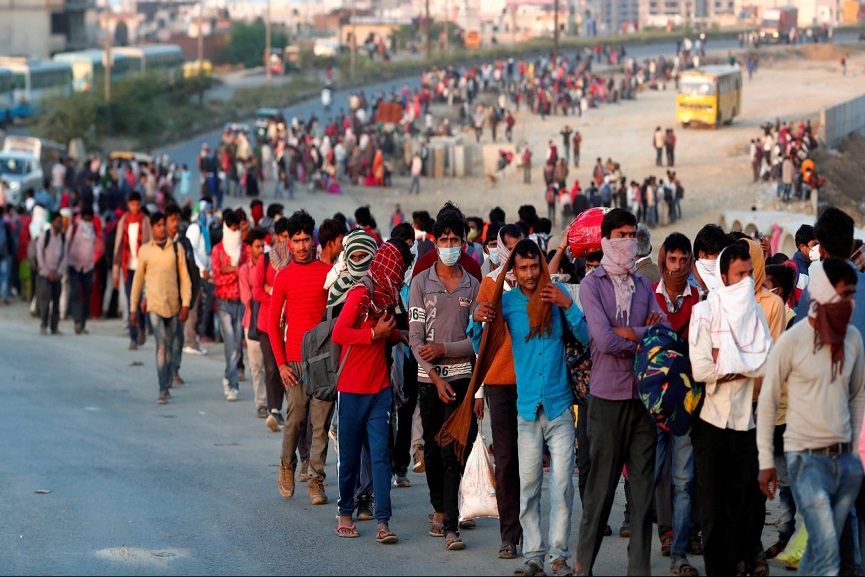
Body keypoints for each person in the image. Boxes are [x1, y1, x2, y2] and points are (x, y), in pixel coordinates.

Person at [576, 208, 668, 576]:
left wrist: (631, 333)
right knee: (599, 492)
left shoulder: (643, 285)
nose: (628, 242)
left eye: (632, 235)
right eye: (621, 235)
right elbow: (602, 339)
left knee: (643, 495)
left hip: (642, 400)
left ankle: (638, 570)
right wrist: (640, 336)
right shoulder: (592, 285)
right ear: (607, 239)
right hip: (607, 399)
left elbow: (662, 332)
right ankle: (583, 565)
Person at [759, 258, 865, 576]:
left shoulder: (852, 339)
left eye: (851, 295)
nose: (850, 303)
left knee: (832, 543)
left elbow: (857, 397)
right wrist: (766, 461)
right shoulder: (792, 340)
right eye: (844, 295)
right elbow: (767, 401)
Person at [496, 238, 588, 576]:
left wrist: (568, 305)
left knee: (562, 486)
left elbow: (585, 335)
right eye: (523, 268)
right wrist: (477, 319)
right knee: (529, 487)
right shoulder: (506, 302)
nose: (530, 273)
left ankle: (558, 555)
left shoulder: (557, 295)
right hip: (527, 411)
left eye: (535, 266)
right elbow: (481, 340)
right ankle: (534, 555)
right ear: (513, 271)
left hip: (560, 408)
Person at [689, 242, 772, 577]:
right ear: (723, 276)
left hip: (746, 425)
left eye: (749, 274)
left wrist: (723, 357)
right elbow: (701, 370)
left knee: (744, 510)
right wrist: (743, 363)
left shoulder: (756, 315)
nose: (746, 281)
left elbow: (766, 366)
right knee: (713, 512)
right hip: (711, 424)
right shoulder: (704, 312)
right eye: (739, 274)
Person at [332, 239, 413, 544]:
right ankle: (345, 514)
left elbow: (385, 330)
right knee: (350, 456)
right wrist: (373, 333)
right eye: (399, 268)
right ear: (388, 265)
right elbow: (340, 333)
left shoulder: (387, 295)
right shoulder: (361, 293)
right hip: (352, 388)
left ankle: (383, 521)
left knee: (380, 456)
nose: (400, 275)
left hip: (379, 387)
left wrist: (397, 334)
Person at [409, 209, 480, 551]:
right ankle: (439, 507)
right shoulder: (421, 284)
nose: (450, 245)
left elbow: (475, 340)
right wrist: (435, 378)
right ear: (435, 242)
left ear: (463, 243)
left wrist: (445, 348)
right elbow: (414, 339)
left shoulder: (473, 286)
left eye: (455, 240)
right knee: (434, 450)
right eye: (444, 240)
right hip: (429, 380)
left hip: (463, 376)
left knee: (454, 449)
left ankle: (451, 525)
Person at [467, 224, 524, 560]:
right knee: (504, 460)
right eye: (510, 248)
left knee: (529, 459)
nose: (516, 255)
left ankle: (530, 528)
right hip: (499, 382)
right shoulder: (490, 283)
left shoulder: (535, 281)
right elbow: (479, 340)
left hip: (531, 382)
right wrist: (478, 392)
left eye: (521, 247)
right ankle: (510, 534)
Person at [271, 210, 334, 506]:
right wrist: (281, 364)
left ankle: (316, 480)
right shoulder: (283, 276)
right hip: (294, 362)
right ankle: (287, 465)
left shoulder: (328, 274)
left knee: (320, 426)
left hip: (323, 363)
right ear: (289, 243)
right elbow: (273, 323)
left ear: (313, 240)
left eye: (305, 240)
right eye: (296, 241)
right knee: (295, 421)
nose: (301, 246)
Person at [653, 234, 700, 577]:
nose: (678, 267)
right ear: (663, 260)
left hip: (686, 401)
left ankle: (679, 551)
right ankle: (660, 533)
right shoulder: (648, 297)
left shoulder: (700, 299)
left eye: (684, 261)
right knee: (652, 474)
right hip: (653, 400)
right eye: (673, 260)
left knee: (683, 478)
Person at [129, 212, 191, 404]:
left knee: (170, 344)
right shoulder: (145, 251)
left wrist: (186, 304)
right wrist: (133, 308)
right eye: (158, 225)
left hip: (173, 305)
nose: (162, 228)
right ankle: (162, 388)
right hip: (154, 305)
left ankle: (168, 377)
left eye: (163, 224)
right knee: (161, 344)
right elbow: (137, 281)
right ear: (152, 228)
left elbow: (185, 278)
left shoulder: (176, 249)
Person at [255, 218, 291, 433]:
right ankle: (274, 410)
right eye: (284, 237)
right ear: (276, 237)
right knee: (271, 368)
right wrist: (276, 294)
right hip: (267, 323)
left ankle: (286, 409)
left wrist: (274, 289)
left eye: (289, 237)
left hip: (288, 325)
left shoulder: (295, 262)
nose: (286, 241)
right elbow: (257, 291)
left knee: (287, 368)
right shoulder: (266, 260)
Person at [211, 209, 247, 402]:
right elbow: (217, 278)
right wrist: (237, 270)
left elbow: (247, 275)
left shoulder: (244, 250)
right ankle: (233, 386)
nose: (235, 232)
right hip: (224, 303)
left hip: (240, 303)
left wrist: (230, 270)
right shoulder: (218, 250)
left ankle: (228, 375)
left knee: (238, 347)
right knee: (231, 346)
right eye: (232, 229)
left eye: (237, 228)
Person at [112, 191, 151, 350]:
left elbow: (150, 243)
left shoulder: (146, 221)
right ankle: (133, 336)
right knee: (130, 302)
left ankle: (141, 327)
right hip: (127, 267)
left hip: (142, 267)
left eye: (137, 204)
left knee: (141, 301)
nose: (135, 207)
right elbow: (118, 246)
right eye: (132, 204)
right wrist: (115, 270)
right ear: (128, 205)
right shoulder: (124, 221)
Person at [239, 227, 268, 418]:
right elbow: (246, 297)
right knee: (256, 366)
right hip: (252, 321)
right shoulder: (244, 270)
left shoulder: (269, 265)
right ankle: (261, 403)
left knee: (271, 366)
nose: (261, 249)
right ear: (249, 248)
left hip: (269, 320)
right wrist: (263, 290)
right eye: (257, 246)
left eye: (262, 246)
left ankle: (273, 403)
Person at [66, 206, 102, 335]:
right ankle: (77, 321)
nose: (87, 220)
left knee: (87, 296)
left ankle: (82, 323)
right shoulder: (74, 228)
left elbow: (98, 246)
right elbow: (66, 244)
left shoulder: (94, 230)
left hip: (88, 267)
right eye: (85, 217)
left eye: (89, 218)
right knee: (76, 293)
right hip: (74, 265)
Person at [183, 200, 212, 356]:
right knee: (193, 308)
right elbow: (191, 252)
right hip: (195, 273)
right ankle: (189, 342)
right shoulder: (194, 228)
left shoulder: (204, 229)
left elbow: (206, 253)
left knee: (200, 308)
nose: (209, 215)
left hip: (204, 274)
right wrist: (202, 268)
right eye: (207, 212)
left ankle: (195, 341)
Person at [36, 212, 67, 336]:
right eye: (58, 221)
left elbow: (65, 256)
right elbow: (39, 254)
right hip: (44, 274)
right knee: (45, 300)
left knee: (56, 302)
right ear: (52, 222)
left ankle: (54, 327)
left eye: (61, 221)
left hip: (57, 274)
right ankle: (43, 324)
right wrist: (47, 271)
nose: (60, 224)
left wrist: (58, 272)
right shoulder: (46, 235)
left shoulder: (62, 237)